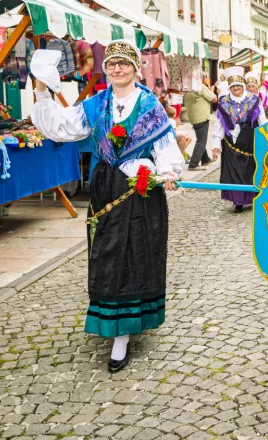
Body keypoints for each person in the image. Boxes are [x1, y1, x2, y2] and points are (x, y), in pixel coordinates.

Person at [32, 40, 182, 373]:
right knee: (107, 252)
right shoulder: (96, 103)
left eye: (124, 63)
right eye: (112, 64)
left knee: (137, 252)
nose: (117, 69)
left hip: (140, 189)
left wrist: (168, 170)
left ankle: (125, 333)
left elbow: (166, 146)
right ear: (106, 68)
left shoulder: (150, 105)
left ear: (135, 67)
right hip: (105, 188)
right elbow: (62, 127)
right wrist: (42, 93)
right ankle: (114, 323)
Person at [211, 67, 268, 212]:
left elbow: (262, 120)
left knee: (250, 170)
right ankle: (238, 201)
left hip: (249, 140)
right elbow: (218, 125)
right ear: (230, 87)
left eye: (238, 86)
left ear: (242, 86)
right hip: (230, 142)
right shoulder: (224, 103)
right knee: (234, 173)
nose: (236, 88)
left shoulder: (253, 100)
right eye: (233, 86)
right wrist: (216, 145)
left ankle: (252, 197)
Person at [182, 77, 216, 170]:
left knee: (200, 139)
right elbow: (214, 99)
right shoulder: (200, 87)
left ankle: (205, 159)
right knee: (201, 141)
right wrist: (211, 89)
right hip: (202, 116)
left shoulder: (186, 88)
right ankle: (193, 164)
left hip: (193, 117)